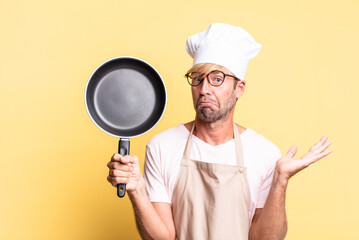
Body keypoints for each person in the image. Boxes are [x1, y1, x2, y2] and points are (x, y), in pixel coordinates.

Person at [107, 23, 332, 240]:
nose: (204, 90)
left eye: (217, 79)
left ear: (239, 88)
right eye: (197, 79)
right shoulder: (162, 146)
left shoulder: (264, 152)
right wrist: (136, 190)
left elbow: (264, 238)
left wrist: (280, 180)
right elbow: (163, 236)